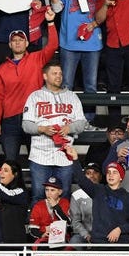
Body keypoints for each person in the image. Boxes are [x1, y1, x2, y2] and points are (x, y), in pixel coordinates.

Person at [0, 8, 59, 161]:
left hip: (34, 117)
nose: (17, 43)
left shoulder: (37, 58)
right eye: (14, 40)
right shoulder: (2, 69)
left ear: (27, 43)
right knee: (10, 163)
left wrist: (50, 23)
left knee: (37, 160)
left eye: (21, 40)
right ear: (9, 44)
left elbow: (53, 45)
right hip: (9, 120)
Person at [22, 62, 87, 202]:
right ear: (45, 76)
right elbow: (26, 125)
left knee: (64, 196)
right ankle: (37, 224)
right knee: (39, 195)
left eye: (60, 73)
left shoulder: (72, 96)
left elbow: (82, 123)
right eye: (54, 73)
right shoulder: (35, 96)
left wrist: (69, 128)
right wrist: (42, 129)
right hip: (40, 155)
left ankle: (61, 224)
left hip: (65, 155)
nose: (59, 76)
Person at [48, 0, 104, 105]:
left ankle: (90, 121)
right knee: (66, 85)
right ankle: (66, 118)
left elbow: (104, 15)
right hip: (69, 43)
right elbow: (57, 8)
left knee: (91, 86)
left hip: (92, 43)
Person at [28, 176, 71, 243]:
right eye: (46, 190)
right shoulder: (38, 205)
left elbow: (68, 224)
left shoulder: (65, 202)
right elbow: (33, 229)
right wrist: (42, 234)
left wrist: (56, 206)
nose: (49, 193)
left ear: (60, 192)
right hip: (44, 239)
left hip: (62, 238)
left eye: (52, 190)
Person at [69, 161, 100, 244]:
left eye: (95, 173)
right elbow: (75, 221)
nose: (92, 176)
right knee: (75, 241)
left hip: (103, 234)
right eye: (88, 173)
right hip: (83, 234)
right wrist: (86, 235)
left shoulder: (105, 192)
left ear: (100, 176)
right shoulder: (76, 195)